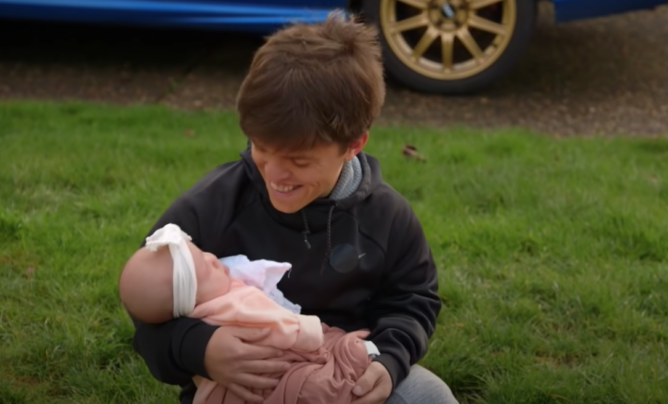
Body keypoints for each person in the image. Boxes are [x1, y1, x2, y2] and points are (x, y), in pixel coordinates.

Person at [126, 10, 459, 404]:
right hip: (244, 390)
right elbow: (147, 307)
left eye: (299, 160)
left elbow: (413, 300)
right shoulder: (209, 207)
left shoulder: (388, 218)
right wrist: (200, 349)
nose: (276, 174)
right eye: (262, 148)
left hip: (343, 377)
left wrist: (389, 360)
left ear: (354, 144)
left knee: (429, 396)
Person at [119, 223, 373, 404]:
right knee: (336, 366)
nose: (213, 258)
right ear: (192, 297)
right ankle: (368, 353)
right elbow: (281, 326)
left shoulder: (193, 312)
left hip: (225, 393)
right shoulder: (234, 303)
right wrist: (315, 333)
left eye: (204, 253)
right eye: (206, 269)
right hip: (276, 378)